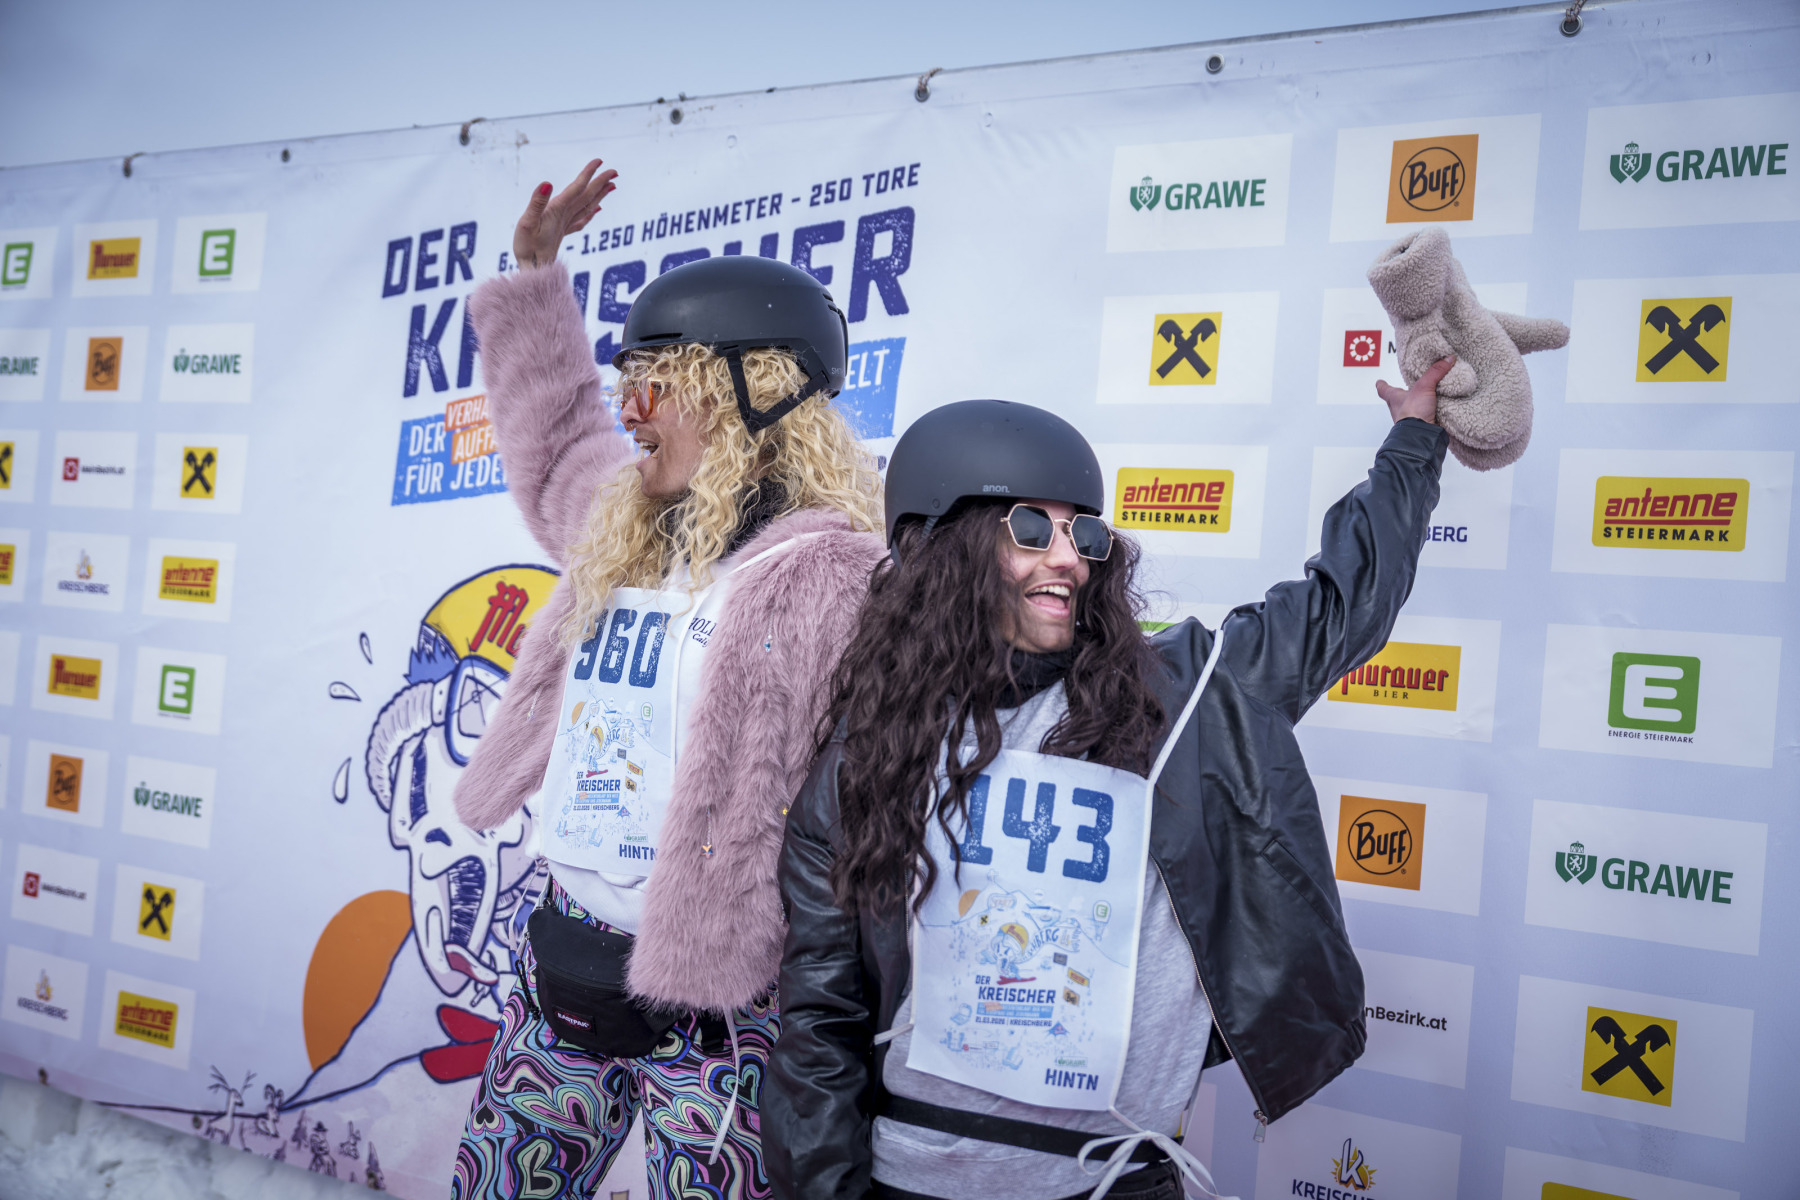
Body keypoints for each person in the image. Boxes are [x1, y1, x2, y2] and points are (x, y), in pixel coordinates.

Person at [765, 360, 1456, 1200]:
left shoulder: (1180, 701)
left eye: (1083, 534)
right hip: (915, 1180)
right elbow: (821, 1020)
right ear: (940, 546)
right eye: (1031, 529)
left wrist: (1413, 442)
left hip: (1121, 1179)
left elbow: (1338, 605)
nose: (1071, 558)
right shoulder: (873, 752)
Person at [449, 159, 886, 1200]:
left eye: (658, 382)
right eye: (626, 381)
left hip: (727, 1007)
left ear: (751, 395)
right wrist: (534, 276)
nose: (630, 408)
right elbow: (555, 438)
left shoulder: (838, 577)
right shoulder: (621, 525)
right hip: (568, 963)